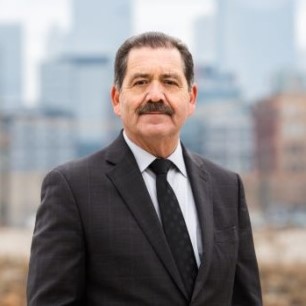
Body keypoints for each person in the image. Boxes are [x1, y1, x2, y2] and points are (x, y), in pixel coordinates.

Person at [27, 31, 262, 306]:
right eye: (140, 82)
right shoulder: (72, 189)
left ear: (191, 98)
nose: (155, 95)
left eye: (170, 82)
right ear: (116, 98)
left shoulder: (227, 187)